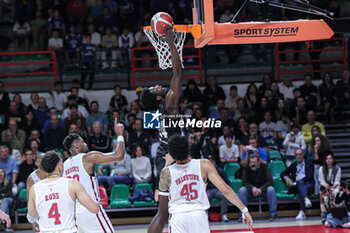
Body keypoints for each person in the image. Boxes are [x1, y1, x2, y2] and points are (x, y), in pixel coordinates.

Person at [147, 135, 253, 233]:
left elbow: (161, 206)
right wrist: (244, 209)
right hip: (198, 214)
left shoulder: (166, 172)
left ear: (172, 154)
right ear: (188, 149)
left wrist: (168, 162)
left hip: (178, 216)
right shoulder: (204, 164)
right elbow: (225, 189)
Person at [140, 29, 186, 200]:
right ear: (158, 96)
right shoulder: (168, 104)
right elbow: (178, 73)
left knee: (171, 197)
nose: (158, 84)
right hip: (169, 153)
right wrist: (170, 42)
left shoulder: (162, 107)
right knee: (175, 197)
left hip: (164, 151)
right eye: (155, 88)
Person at [62, 118, 124, 233]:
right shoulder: (88, 157)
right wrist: (120, 135)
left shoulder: (64, 166)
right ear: (76, 145)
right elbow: (119, 155)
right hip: (90, 208)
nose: (85, 144)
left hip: (73, 214)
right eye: (82, 142)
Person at [27, 151, 99, 233]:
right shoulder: (72, 184)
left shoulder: (34, 188)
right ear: (59, 167)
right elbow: (95, 208)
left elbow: (31, 217)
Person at [239, 154, 277, 221]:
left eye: (255, 162)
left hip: (263, 191)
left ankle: (273, 214)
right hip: (250, 192)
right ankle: (243, 215)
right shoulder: (246, 168)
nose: (253, 164)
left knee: (271, 189)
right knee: (242, 190)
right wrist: (252, 188)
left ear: (259, 162)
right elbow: (244, 182)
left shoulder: (265, 167)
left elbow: (270, 181)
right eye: (251, 162)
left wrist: (261, 189)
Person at [280, 148, 314, 219]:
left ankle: (302, 211)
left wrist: (298, 182)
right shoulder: (293, 164)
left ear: (303, 155)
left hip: (308, 185)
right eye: (297, 155)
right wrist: (286, 178)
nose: (299, 156)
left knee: (301, 185)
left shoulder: (309, 163)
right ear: (295, 156)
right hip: (297, 187)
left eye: (300, 154)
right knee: (301, 187)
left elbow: (309, 176)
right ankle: (305, 201)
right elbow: (283, 173)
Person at [206, 155, 230, 222]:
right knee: (204, 196)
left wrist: (223, 189)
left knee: (224, 196)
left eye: (210, 161)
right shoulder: (204, 171)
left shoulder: (220, 171)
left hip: (218, 190)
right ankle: (205, 215)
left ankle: (223, 215)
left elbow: (227, 182)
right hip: (209, 190)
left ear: (214, 162)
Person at [319, 152, 341, 222]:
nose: (328, 160)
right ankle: (324, 212)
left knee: (336, 192)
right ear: (325, 160)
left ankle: (334, 211)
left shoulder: (337, 168)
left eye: (330, 158)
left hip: (334, 186)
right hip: (325, 186)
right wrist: (326, 186)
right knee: (321, 192)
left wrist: (333, 186)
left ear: (333, 160)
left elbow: (337, 181)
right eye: (327, 159)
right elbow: (321, 180)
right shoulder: (321, 168)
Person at [0, 168, 14, 232]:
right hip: (2, 202)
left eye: (2, 172)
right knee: (5, 206)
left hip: (9, 199)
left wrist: (1, 198)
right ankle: (7, 227)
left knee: (5, 201)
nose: (0, 173)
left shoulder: (8, 182)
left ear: (4, 174)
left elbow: (9, 194)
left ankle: (1, 219)